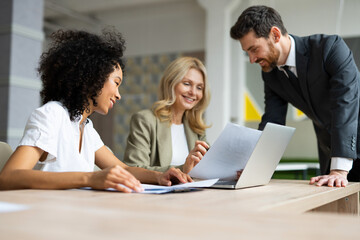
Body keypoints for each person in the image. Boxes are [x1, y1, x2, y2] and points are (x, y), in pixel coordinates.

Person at [0, 29, 192, 193]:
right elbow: (8, 177)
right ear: (94, 77)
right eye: (116, 83)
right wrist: (90, 179)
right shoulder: (52, 115)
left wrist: (159, 176)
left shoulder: (86, 128)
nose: (118, 95)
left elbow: (123, 169)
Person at [230, 5, 360, 187]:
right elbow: (272, 122)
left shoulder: (330, 48)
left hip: (349, 143)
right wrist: (254, 167)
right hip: (329, 152)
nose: (251, 59)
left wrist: (339, 169)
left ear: (275, 35)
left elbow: (345, 104)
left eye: (254, 49)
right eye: (247, 53)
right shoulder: (270, 74)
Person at [123, 57, 210, 174]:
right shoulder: (145, 120)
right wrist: (182, 169)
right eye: (187, 84)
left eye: (199, 87)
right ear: (170, 83)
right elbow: (133, 169)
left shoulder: (196, 128)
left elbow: (207, 168)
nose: (193, 92)